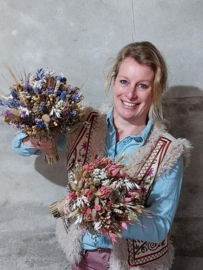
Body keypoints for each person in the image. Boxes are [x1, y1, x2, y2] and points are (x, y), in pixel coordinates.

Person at [12, 41, 192, 270]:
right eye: (124, 81)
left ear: (156, 90)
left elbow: (159, 227)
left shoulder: (168, 151)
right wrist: (36, 139)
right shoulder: (83, 125)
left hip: (134, 266)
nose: (130, 94)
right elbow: (19, 146)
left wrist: (106, 215)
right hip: (81, 257)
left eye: (143, 86)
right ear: (113, 80)